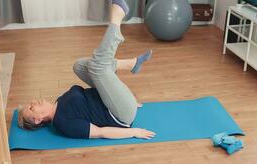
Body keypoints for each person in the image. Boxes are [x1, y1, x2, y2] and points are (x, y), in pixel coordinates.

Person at [18, 0, 155, 140]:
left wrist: (122, 98)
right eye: (31, 108)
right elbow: (100, 132)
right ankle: (117, 17)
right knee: (97, 67)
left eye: (30, 102)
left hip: (116, 102)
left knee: (78, 66)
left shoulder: (59, 101)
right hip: (121, 114)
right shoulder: (63, 123)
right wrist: (134, 132)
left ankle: (130, 64)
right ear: (38, 119)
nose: (34, 102)